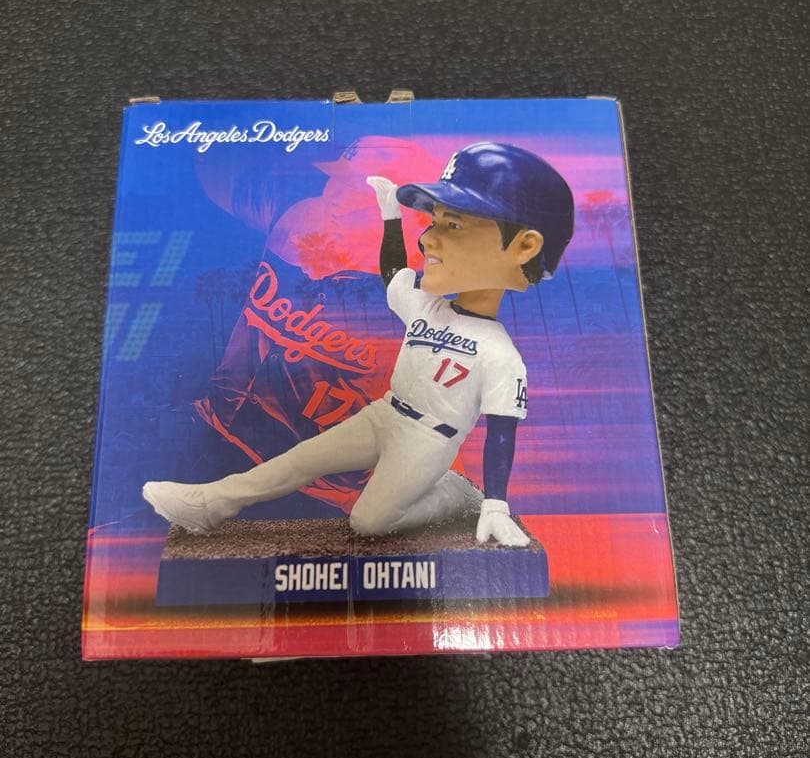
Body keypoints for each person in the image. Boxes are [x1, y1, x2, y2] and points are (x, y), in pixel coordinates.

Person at [143, 142, 574, 547]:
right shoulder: (423, 304)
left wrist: (495, 503)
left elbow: (501, 432)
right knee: (302, 459)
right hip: (385, 413)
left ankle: (456, 494)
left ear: (524, 246)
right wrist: (390, 215)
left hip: (429, 437)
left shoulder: (500, 353)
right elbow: (394, 275)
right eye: (433, 221)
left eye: (453, 224)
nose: (428, 238)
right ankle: (209, 504)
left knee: (368, 522)